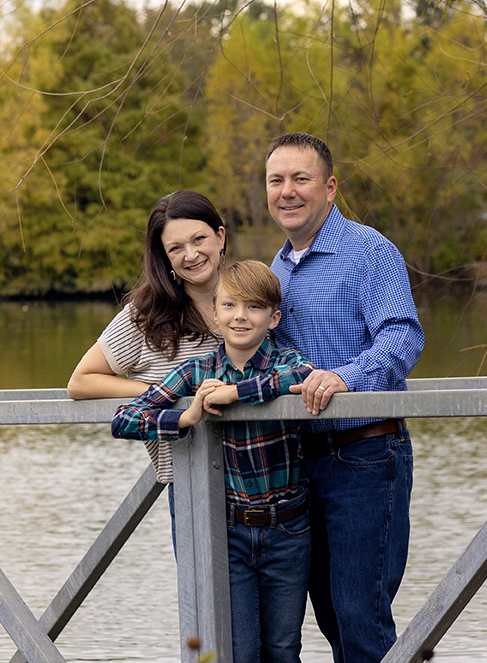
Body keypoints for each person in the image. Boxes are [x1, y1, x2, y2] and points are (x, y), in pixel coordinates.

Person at [265, 132, 424, 663]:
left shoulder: (368, 250)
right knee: (332, 617)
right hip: (301, 463)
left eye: (300, 179)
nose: (287, 191)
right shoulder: (277, 269)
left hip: (365, 456)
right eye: (276, 180)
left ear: (329, 188)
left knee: (361, 619)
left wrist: (345, 378)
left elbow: (402, 336)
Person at [111, 260, 310, 663]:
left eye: (254, 307)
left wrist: (236, 393)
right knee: (240, 650)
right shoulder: (196, 371)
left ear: (273, 318)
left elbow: (301, 378)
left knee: (284, 649)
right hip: (228, 533)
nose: (240, 316)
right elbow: (125, 419)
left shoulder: (285, 360)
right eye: (230, 305)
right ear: (215, 315)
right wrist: (185, 418)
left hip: (288, 530)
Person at [67, 190, 227, 526]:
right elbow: (80, 382)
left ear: (220, 236)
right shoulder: (146, 315)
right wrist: (159, 389)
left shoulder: (254, 296)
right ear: (164, 257)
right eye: (176, 248)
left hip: (273, 485)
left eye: (199, 239)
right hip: (191, 489)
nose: (192, 254)